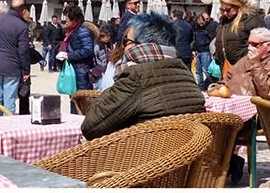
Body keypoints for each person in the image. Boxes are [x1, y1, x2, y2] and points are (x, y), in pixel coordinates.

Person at [81, 12, 205, 140]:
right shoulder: (186, 75)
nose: (123, 46)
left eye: (126, 41)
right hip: (186, 155)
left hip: (144, 156)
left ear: (140, 45)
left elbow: (90, 126)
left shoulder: (135, 76)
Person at [0, 0, 30, 115]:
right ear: (23, 10)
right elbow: (23, 51)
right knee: (9, 101)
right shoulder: (22, 26)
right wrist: (26, 70)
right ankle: (7, 129)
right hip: (12, 66)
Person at [221, 27, 270, 100]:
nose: (249, 47)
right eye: (248, 43)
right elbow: (228, 78)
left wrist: (256, 64)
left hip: (257, 109)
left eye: (254, 44)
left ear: (268, 46)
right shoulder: (244, 60)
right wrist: (217, 87)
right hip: (233, 104)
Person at [213, 0, 265, 79]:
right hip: (226, 68)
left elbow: (263, 44)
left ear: (237, 6)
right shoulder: (223, 22)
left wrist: (250, 62)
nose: (225, 13)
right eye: (222, 10)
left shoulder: (250, 20)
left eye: (228, 10)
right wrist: (218, 58)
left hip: (246, 70)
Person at [59, 5, 97, 113]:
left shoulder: (83, 31)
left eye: (67, 18)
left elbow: (88, 50)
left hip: (82, 71)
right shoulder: (72, 31)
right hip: (74, 70)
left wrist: (69, 55)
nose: (65, 21)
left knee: (81, 101)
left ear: (76, 19)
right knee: (74, 99)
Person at [194, 11, 219, 90]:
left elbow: (213, 38)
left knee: (207, 71)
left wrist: (207, 33)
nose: (201, 25)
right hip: (198, 51)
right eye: (199, 23)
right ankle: (201, 87)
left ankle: (213, 85)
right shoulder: (196, 28)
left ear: (205, 21)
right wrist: (194, 49)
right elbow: (195, 40)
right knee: (198, 72)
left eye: (202, 23)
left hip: (206, 51)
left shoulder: (211, 27)